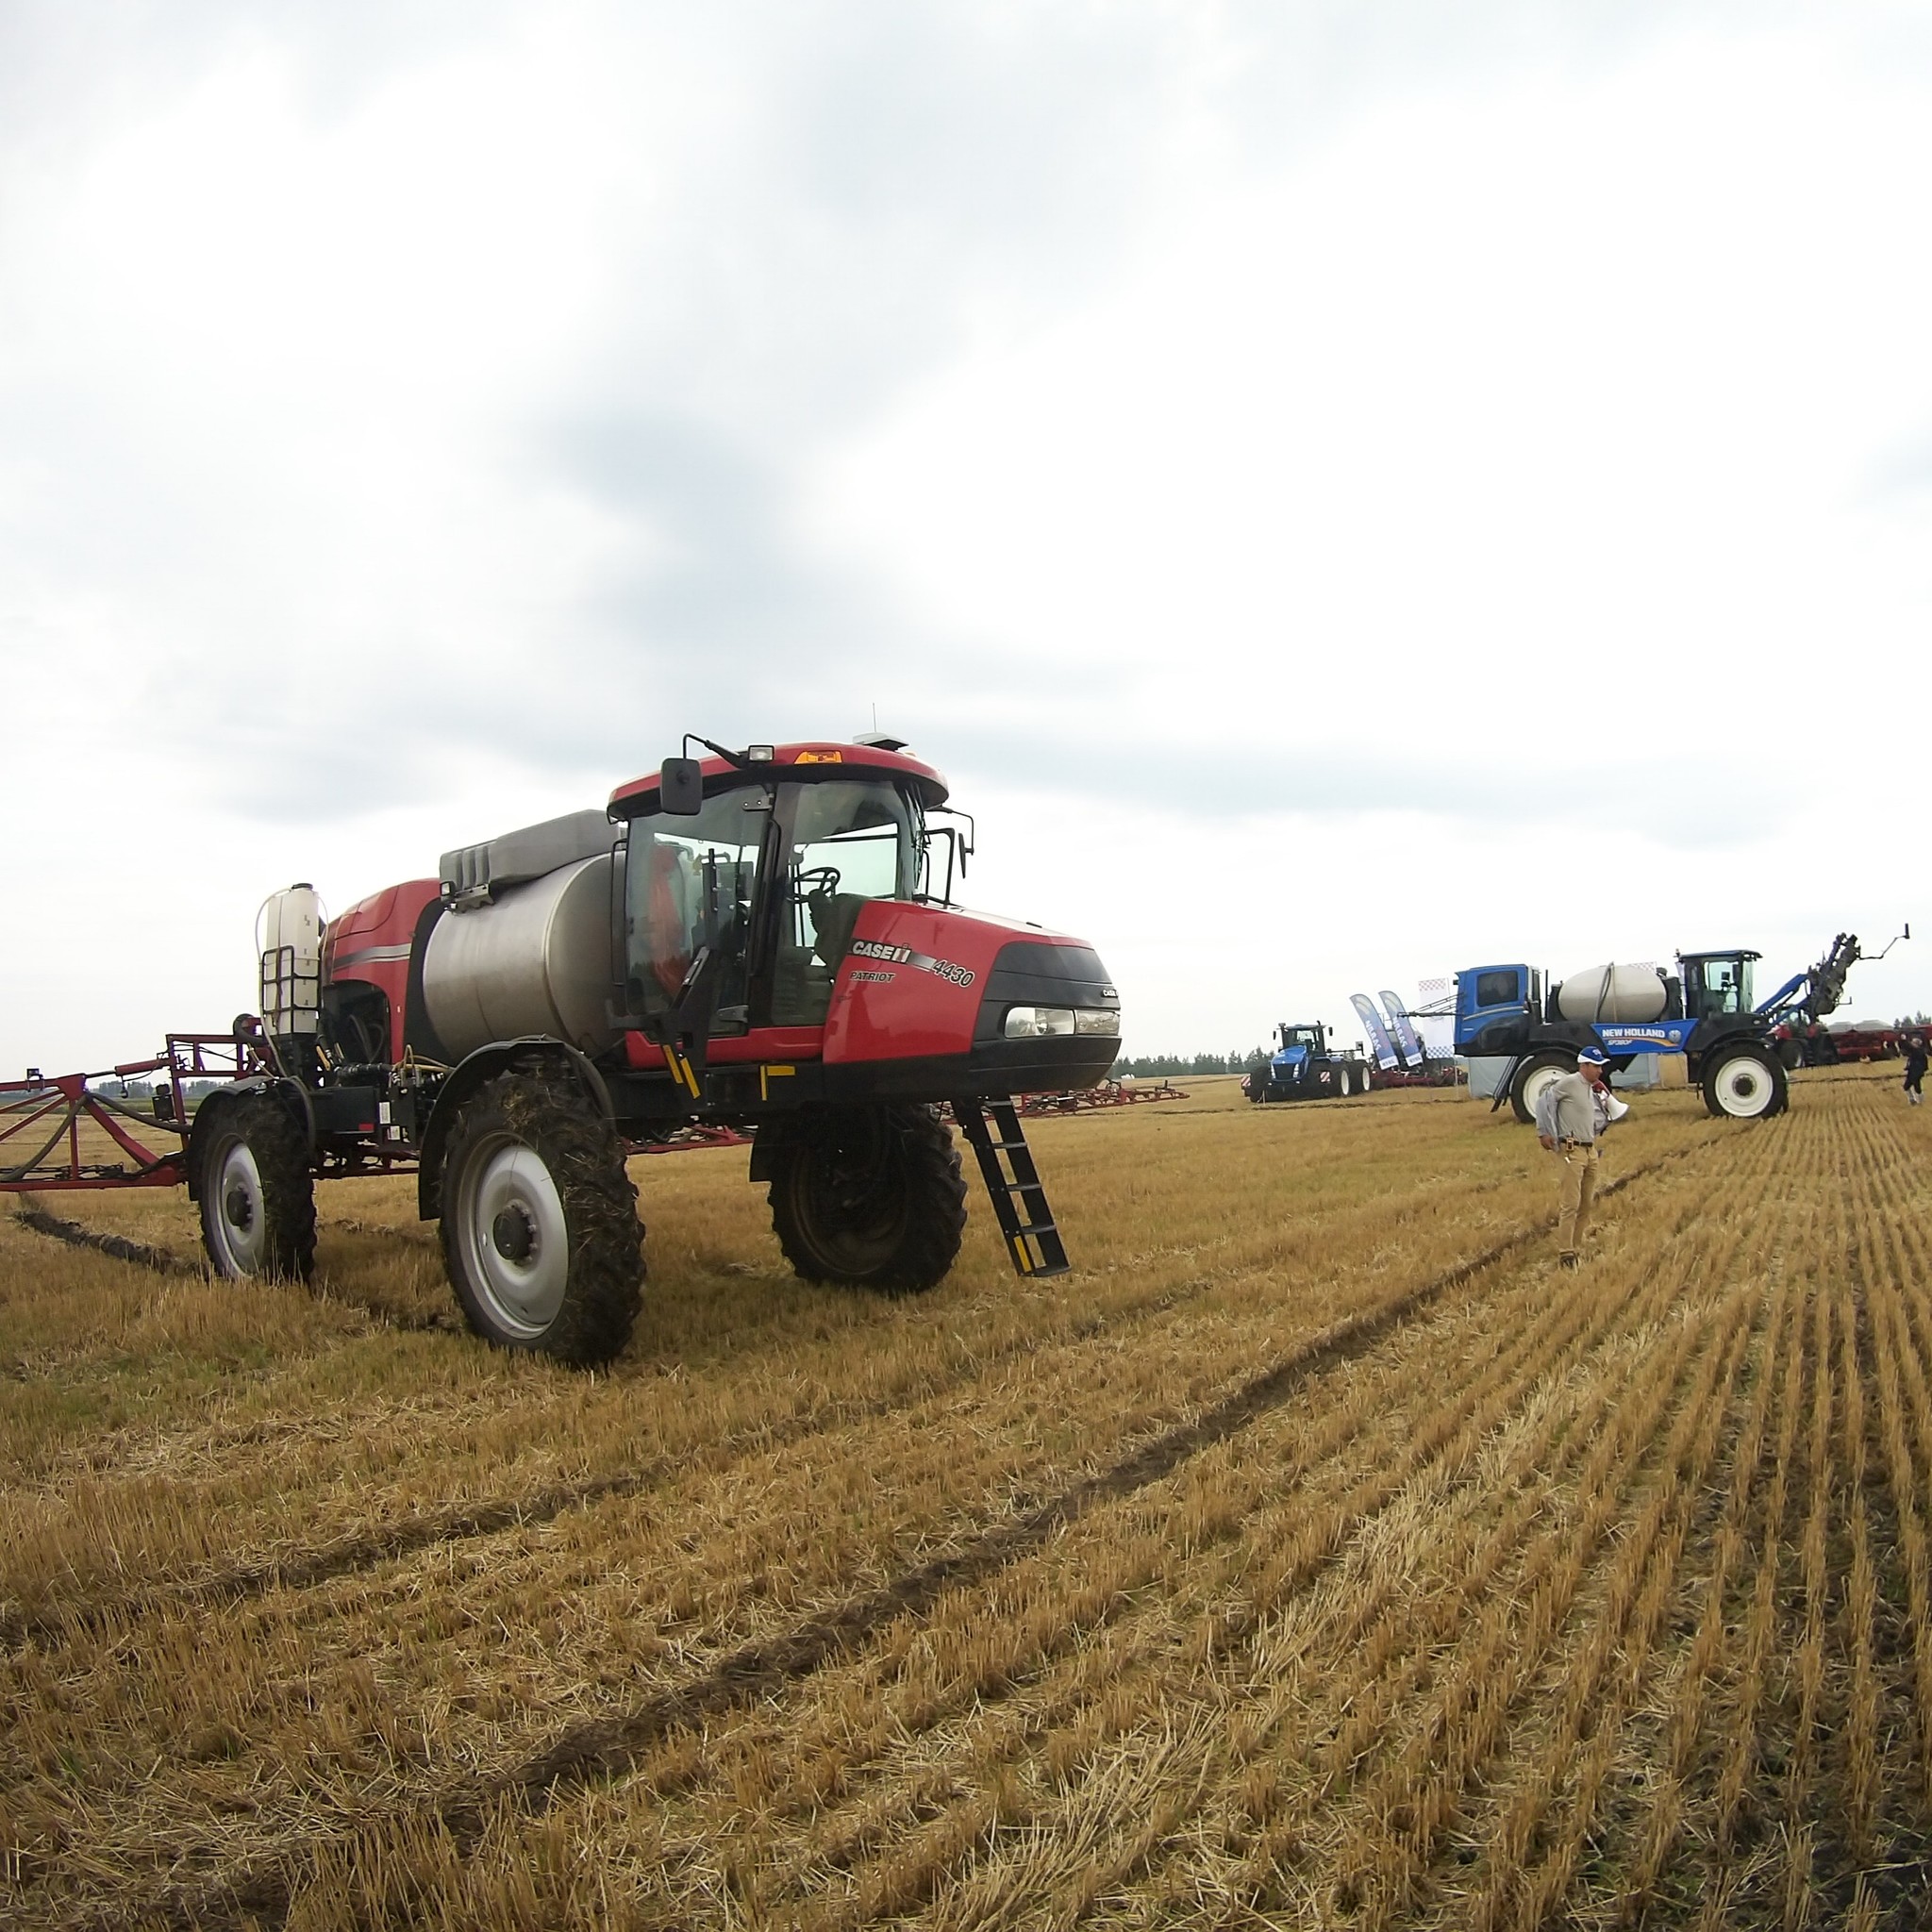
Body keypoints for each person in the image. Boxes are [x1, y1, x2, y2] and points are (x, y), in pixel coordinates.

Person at [1535, 1044, 1611, 1268]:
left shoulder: (1590, 1088)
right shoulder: (1568, 1083)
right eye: (1596, 1066)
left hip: (1590, 1150)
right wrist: (1544, 1132)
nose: (1599, 1071)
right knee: (1571, 1203)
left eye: (1600, 1067)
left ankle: (1576, 1246)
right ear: (1584, 1065)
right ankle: (1566, 1251)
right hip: (1571, 1150)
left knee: (1586, 1203)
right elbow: (1543, 1102)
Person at [1906, 1031, 1927, 1108]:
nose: (1912, 1044)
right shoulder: (1918, 1051)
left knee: (1914, 1087)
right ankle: (1914, 1100)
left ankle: (1918, 1101)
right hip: (1913, 1071)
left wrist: (1904, 1039)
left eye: (1913, 1043)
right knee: (1908, 1086)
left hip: (1916, 1072)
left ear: (1916, 1044)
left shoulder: (1917, 1051)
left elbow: (1908, 1046)